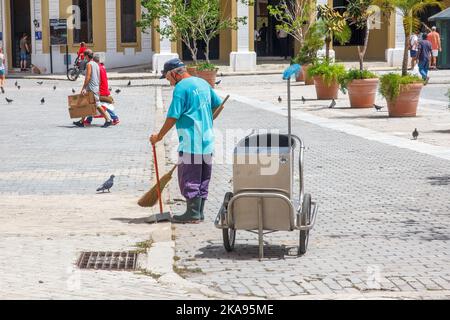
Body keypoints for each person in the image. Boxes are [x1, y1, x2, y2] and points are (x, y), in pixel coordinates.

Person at [149, 58, 223, 224]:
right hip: (207, 140)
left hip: (191, 141)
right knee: (203, 177)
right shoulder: (202, 83)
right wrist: (207, 120)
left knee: (189, 177)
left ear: (175, 73)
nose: (169, 83)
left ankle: (192, 213)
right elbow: (219, 105)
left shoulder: (181, 88)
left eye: (168, 78)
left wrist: (158, 137)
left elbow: (172, 117)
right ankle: (199, 212)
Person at [73, 50, 113, 128]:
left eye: (84, 56)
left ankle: (108, 120)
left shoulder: (89, 64)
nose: (84, 58)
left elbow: (88, 76)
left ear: (87, 56)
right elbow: (99, 78)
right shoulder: (96, 64)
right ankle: (81, 121)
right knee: (86, 104)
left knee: (97, 104)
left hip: (91, 88)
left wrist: (84, 87)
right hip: (95, 87)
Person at [84, 54, 120, 126]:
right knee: (95, 103)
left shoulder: (97, 68)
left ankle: (114, 118)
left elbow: (96, 79)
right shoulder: (102, 67)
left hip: (100, 89)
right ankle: (88, 120)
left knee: (96, 103)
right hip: (104, 88)